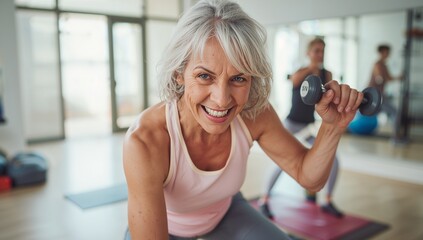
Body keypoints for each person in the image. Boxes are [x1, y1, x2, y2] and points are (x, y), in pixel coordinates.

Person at [123, 1, 363, 239]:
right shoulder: (146, 140)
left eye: (238, 79)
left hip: (225, 212)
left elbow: (308, 176)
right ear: (179, 74)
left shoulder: (253, 113)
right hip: (168, 227)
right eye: (205, 76)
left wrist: (332, 126)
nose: (221, 99)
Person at [259, 37, 344, 219]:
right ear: (308, 53)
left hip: (308, 128)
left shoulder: (327, 74)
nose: (320, 54)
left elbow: (329, 97)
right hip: (291, 125)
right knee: (281, 163)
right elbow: (295, 81)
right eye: (316, 51)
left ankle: (327, 200)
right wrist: (312, 69)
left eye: (322, 51)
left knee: (333, 160)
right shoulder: (301, 72)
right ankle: (264, 200)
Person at [368, 44, 402, 126]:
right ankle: (396, 137)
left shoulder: (384, 65)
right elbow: (380, 78)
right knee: (394, 112)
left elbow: (388, 78)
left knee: (391, 112)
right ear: (381, 52)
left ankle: (395, 134)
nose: (388, 54)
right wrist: (381, 78)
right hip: (374, 94)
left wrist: (399, 78)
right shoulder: (377, 64)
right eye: (387, 52)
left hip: (380, 94)